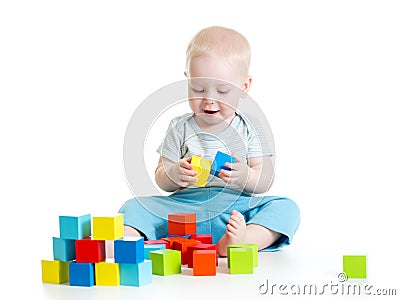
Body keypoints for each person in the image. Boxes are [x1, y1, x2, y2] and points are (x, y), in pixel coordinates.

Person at [119, 26, 300, 256]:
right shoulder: (179, 126)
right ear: (188, 80)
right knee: (133, 207)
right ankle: (126, 245)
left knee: (286, 207)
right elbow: (161, 178)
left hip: (235, 211)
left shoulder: (251, 126)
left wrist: (244, 175)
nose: (209, 100)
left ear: (244, 87)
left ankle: (243, 240)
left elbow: (265, 180)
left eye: (222, 91)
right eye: (198, 88)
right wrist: (175, 173)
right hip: (183, 210)